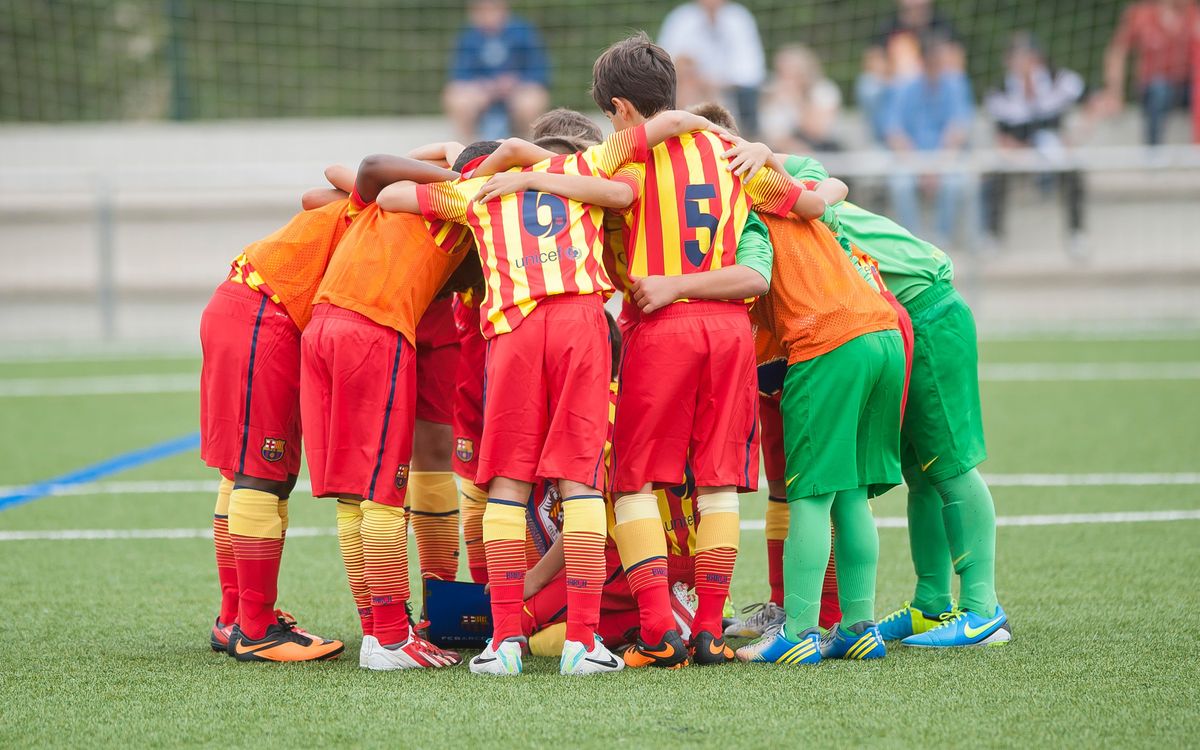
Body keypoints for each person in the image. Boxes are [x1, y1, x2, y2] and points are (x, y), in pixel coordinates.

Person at [378, 110, 719, 675]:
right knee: (581, 482)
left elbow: (390, 196)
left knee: (506, 484)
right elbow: (641, 168)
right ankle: (583, 644)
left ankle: (502, 643)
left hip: (512, 329)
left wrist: (457, 166)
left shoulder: (476, 191)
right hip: (579, 325)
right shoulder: (584, 170)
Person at [747, 146, 1010, 648]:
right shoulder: (766, 187)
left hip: (919, 305)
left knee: (950, 464)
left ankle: (982, 608)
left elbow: (831, 185)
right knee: (920, 470)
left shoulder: (764, 176)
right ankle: (932, 604)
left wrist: (775, 169)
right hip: (887, 322)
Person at [301, 154, 479, 671]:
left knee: (354, 497)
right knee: (382, 493)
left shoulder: (406, 207)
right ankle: (391, 639)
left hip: (324, 326)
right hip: (371, 333)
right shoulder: (461, 201)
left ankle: (377, 629)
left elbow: (336, 183)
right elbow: (366, 166)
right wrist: (467, 180)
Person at [199, 170, 353, 663]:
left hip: (265, 311)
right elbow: (339, 178)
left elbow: (319, 192)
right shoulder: (404, 200)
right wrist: (446, 169)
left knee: (266, 474)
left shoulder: (385, 199)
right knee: (258, 475)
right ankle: (257, 628)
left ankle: (237, 616)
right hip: (264, 313)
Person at [983, 32, 1087, 252]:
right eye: (1017, 57)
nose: (1024, 63)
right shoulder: (1000, 89)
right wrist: (1017, 148)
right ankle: (993, 236)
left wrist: (1076, 134)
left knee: (1074, 169)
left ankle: (1076, 233)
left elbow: (1094, 102)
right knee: (993, 175)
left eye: (1028, 56)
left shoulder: (1058, 79)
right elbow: (1002, 136)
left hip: (1052, 148)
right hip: (1019, 153)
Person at [884, 33, 974, 247]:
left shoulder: (956, 85)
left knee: (954, 183)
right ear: (923, 62)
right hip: (912, 160)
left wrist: (938, 165)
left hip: (946, 159)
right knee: (900, 184)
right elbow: (894, 132)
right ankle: (912, 242)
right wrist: (919, 166)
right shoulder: (904, 88)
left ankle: (943, 241)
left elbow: (958, 130)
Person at [443, 0, 549, 141]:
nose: (487, 15)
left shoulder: (523, 32)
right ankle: (466, 148)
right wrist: (483, 86)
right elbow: (459, 75)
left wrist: (516, 82)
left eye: (492, 9)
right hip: (481, 93)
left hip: (517, 92)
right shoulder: (469, 37)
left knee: (531, 101)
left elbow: (539, 71)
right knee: (457, 99)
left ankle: (530, 146)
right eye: (481, 10)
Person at [658, 0, 766, 137]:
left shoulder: (739, 19)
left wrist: (715, 81)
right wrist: (692, 75)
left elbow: (751, 71)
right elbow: (666, 63)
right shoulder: (680, 19)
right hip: (689, 85)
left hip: (730, 92)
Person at [1098, 0, 1198, 145]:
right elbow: (1117, 52)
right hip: (1153, 89)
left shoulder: (1193, 13)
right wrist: (1114, 94)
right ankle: (1153, 153)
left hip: (1185, 87)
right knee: (1160, 89)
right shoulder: (1141, 14)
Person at [760, 45, 843, 153]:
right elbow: (775, 136)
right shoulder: (775, 95)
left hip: (825, 147)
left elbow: (818, 130)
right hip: (790, 151)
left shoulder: (824, 90)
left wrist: (796, 100)